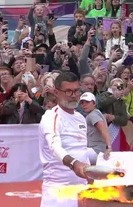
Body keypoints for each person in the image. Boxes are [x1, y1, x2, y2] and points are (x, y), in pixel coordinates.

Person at [39, 72, 90, 207]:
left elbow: (82, 150)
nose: (73, 95)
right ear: (56, 92)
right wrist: (74, 163)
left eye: (76, 91)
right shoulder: (50, 117)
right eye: (68, 91)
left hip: (82, 188)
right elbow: (55, 146)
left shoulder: (80, 118)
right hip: (58, 190)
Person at [79, 92, 111, 165]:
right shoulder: (96, 112)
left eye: (87, 102)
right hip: (98, 151)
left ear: (94, 103)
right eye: (82, 102)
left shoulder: (92, 115)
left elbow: (103, 130)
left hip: (95, 151)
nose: (84, 104)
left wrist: (108, 147)